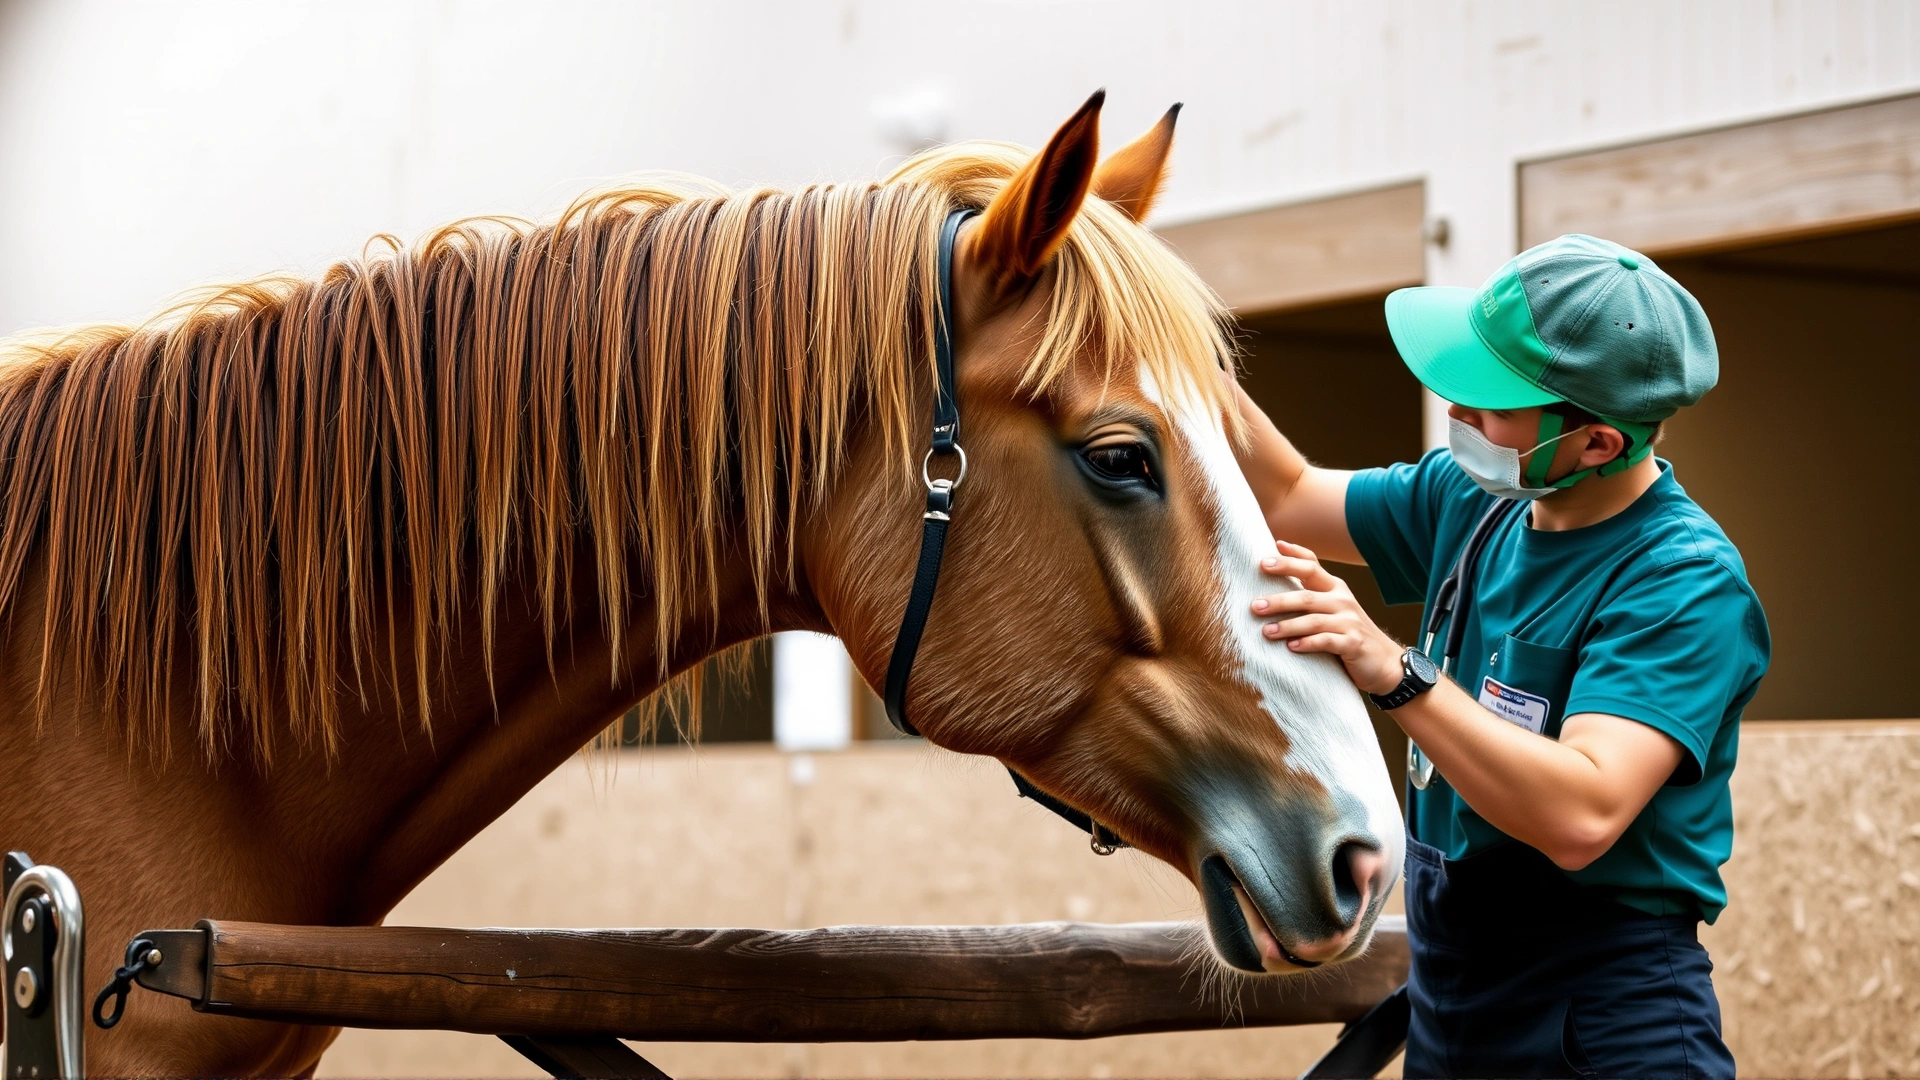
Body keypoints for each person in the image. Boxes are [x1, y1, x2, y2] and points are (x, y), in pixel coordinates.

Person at [1230, 234, 1768, 1079]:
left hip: (1603, 1027)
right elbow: (1288, 494)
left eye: (1489, 405)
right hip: (1452, 1011)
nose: (1458, 416)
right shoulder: (1471, 498)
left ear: (1595, 443)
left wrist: (1395, 671)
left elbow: (1582, 816)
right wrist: (1180, 361)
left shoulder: (1682, 581)